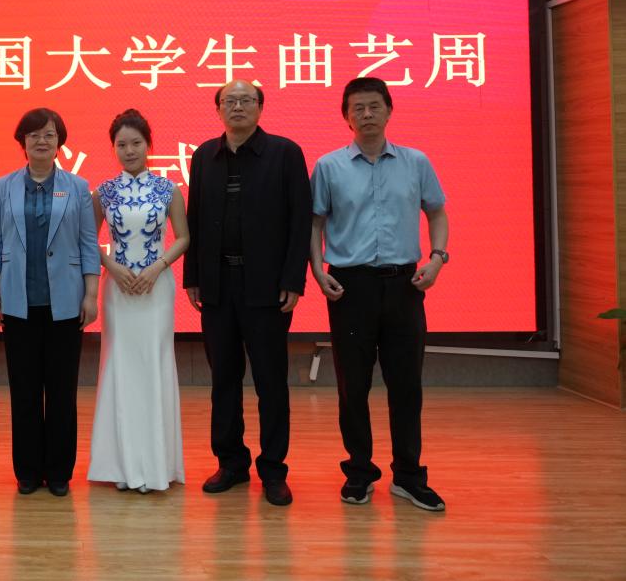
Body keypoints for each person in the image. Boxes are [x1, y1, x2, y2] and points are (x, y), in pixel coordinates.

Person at [309, 77, 449, 512]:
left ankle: (408, 475)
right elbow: (315, 224)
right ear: (346, 117)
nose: (367, 114)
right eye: (358, 108)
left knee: (406, 385)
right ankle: (359, 471)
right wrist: (316, 270)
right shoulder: (329, 166)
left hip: (405, 285)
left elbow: (437, 212)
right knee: (353, 386)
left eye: (374, 106)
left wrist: (437, 258)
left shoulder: (416, 162)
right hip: (350, 287)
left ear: (389, 110)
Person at [183, 80, 311, 507]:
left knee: (271, 382)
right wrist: (193, 276)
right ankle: (231, 463)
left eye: (246, 100)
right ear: (218, 109)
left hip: (267, 288)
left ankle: (273, 470)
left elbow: (300, 221)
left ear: (260, 107)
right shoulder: (204, 156)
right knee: (224, 380)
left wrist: (293, 280)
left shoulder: (285, 153)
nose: (237, 107)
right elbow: (194, 220)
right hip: (217, 286)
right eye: (229, 101)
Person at [0, 108, 101, 498]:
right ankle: (28, 471)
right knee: (25, 391)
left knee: (63, 391)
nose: (41, 141)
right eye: (33, 135)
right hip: (18, 301)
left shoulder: (78, 187)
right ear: (23, 142)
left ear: (59, 141)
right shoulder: (4, 186)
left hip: (65, 302)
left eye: (49, 134)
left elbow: (88, 243)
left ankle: (59, 471)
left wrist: (91, 294)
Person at [87, 109, 189, 493]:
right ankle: (122, 465)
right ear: (113, 148)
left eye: (136, 143)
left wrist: (157, 267)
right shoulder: (103, 192)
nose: (129, 150)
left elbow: (183, 237)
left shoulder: (168, 189)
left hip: (156, 288)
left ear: (149, 145)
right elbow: (88, 239)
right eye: (121, 144)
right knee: (120, 366)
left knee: (154, 365)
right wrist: (112, 267)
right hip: (118, 290)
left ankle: (156, 465)